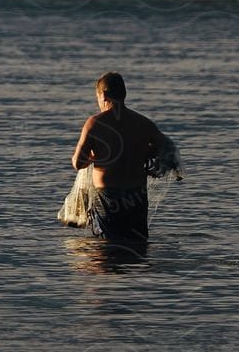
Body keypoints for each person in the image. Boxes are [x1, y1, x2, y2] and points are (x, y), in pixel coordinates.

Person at [60, 72, 179, 246]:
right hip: (137, 196)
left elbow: (78, 163)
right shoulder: (144, 123)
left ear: (103, 95)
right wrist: (145, 153)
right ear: (124, 94)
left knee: (107, 250)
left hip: (108, 198)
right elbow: (168, 148)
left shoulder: (95, 124)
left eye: (97, 98)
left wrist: (94, 157)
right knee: (137, 246)